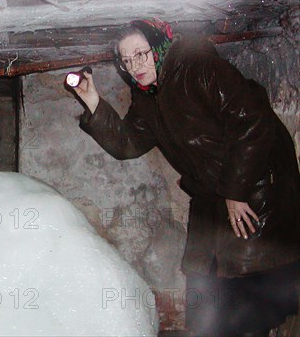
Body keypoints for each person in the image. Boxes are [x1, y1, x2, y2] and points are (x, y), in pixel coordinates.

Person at [72, 19, 300, 336]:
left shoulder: (199, 68)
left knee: (250, 305)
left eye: (140, 53)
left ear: (160, 49)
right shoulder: (147, 95)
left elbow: (252, 124)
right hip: (211, 202)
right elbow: (127, 143)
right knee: (205, 299)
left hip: (255, 198)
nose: (134, 65)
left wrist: (236, 192)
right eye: (126, 60)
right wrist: (92, 100)